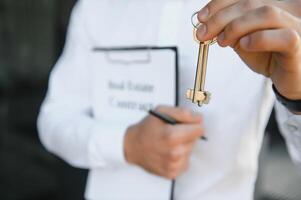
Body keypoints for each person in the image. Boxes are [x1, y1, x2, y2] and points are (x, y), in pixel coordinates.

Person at [37, 0, 301, 199]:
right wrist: (126, 144)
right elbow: (53, 119)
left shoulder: (269, 9)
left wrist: (297, 97)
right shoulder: (97, 7)